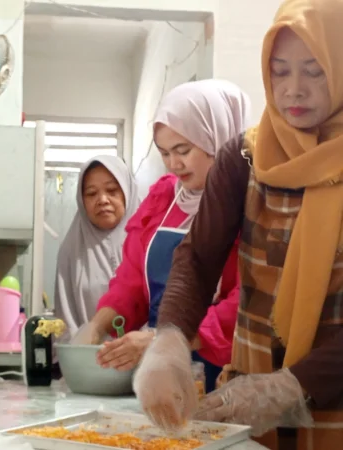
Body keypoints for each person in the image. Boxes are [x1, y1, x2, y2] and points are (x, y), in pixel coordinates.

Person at [134, 0, 343, 448]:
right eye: (280, 70)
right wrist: (169, 341)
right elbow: (198, 257)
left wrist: (290, 387)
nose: (293, 90)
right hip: (251, 408)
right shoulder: (245, 158)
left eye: (315, 70)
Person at [73, 79, 251, 393]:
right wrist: (97, 325)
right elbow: (132, 281)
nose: (173, 164)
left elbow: (247, 300)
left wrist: (165, 340)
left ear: (218, 139)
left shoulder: (251, 205)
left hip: (224, 367)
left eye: (183, 150)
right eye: (165, 153)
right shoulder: (164, 200)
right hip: (160, 367)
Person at [54, 155, 140, 337]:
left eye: (111, 190)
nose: (102, 199)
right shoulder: (71, 251)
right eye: (92, 193)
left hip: (147, 359)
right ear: (81, 200)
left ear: (127, 193)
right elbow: (65, 321)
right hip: (88, 360)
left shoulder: (149, 243)